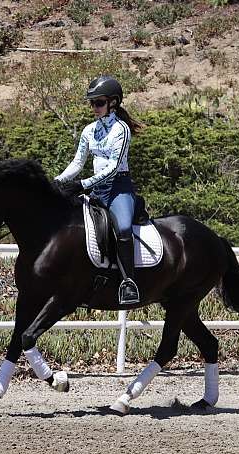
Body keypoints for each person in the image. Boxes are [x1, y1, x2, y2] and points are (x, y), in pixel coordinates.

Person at [54, 75, 143, 305]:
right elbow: (77, 163)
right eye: (92, 103)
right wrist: (57, 181)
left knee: (123, 228)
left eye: (99, 103)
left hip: (118, 189)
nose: (95, 107)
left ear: (113, 102)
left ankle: (129, 283)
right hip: (95, 189)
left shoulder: (121, 130)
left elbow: (113, 167)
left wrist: (83, 184)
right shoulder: (88, 131)